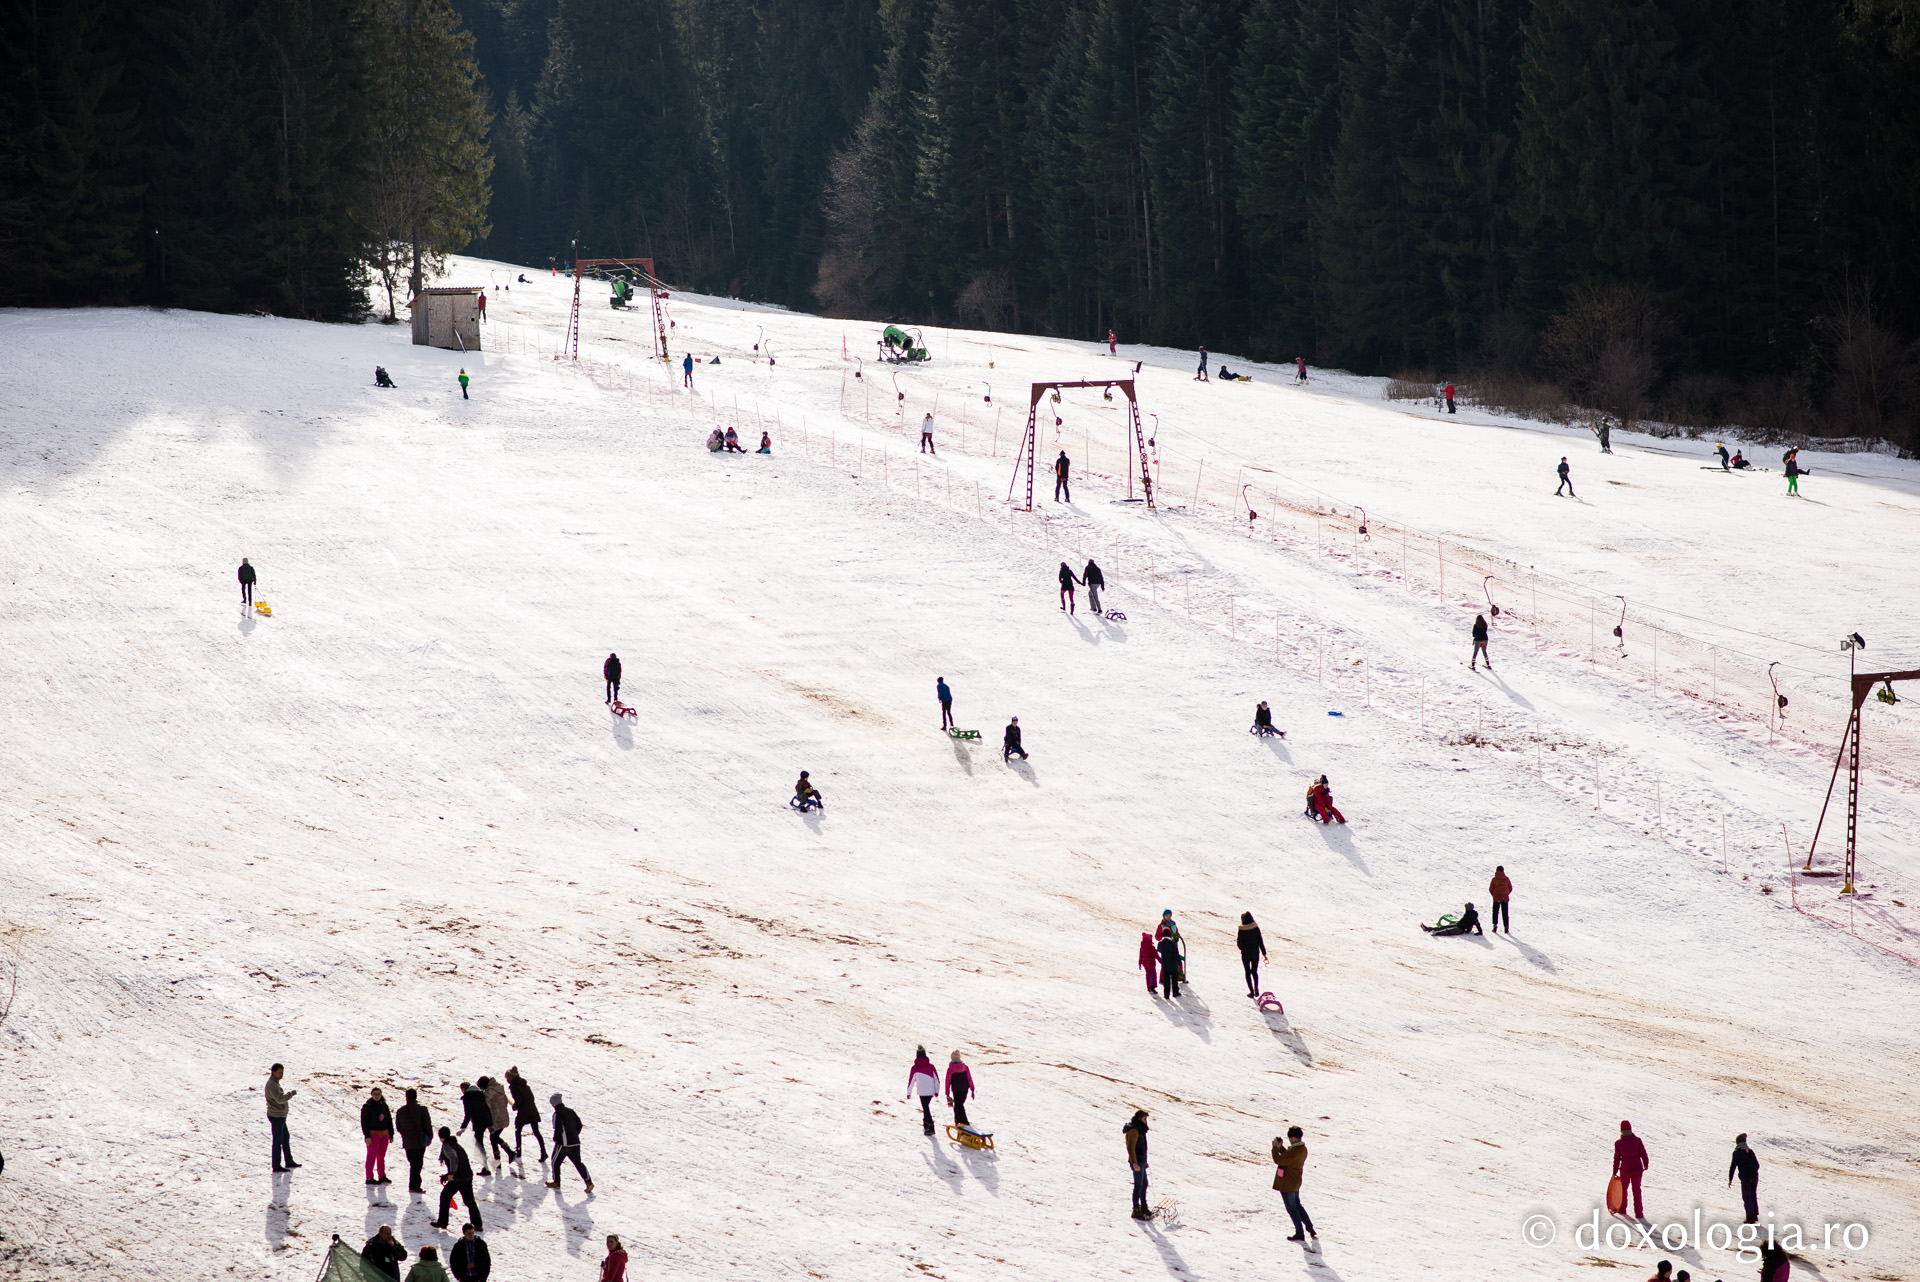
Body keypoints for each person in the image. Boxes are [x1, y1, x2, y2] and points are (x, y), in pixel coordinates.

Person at [1273, 1125, 1316, 1245]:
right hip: (1295, 1181)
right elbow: (1288, 1156)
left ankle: (1300, 1233)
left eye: (1290, 1138)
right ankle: (1309, 1227)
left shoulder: (1295, 1151)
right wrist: (1281, 1148)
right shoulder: (1302, 1149)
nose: (1289, 1140)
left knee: (1292, 1208)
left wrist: (1275, 1149)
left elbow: (1280, 1160)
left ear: (1294, 1138)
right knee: (1297, 1205)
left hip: (1288, 1182)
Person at [432, 1127, 480, 1230]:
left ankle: (442, 1222)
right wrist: (447, 1175)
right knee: (470, 1201)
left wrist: (452, 1173)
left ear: (441, 1137)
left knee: (445, 1196)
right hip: (467, 1176)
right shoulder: (456, 1145)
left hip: (458, 1177)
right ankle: (477, 1224)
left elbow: (453, 1158)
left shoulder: (447, 1146)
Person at [546, 1092, 593, 1192]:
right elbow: (579, 1125)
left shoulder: (557, 1114)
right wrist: (574, 1135)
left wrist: (556, 1139)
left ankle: (556, 1182)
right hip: (575, 1142)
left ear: (554, 1103)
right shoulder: (571, 1111)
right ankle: (588, 1182)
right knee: (578, 1163)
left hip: (563, 1144)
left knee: (555, 1162)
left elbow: (558, 1129)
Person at [396, 1088, 433, 1193]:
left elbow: (398, 1127)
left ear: (406, 1096)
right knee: (417, 1165)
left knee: (413, 1163)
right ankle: (414, 1186)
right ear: (416, 1096)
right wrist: (429, 1137)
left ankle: (414, 1184)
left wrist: (405, 1134)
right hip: (419, 1142)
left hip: (407, 1142)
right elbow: (428, 1125)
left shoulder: (401, 1111)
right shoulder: (422, 1109)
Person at [506, 1067, 544, 1164]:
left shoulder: (513, 1086)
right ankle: (543, 1152)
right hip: (532, 1109)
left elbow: (519, 1100)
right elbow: (531, 1097)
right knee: (536, 1132)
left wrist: (515, 1106)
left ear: (510, 1078)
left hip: (524, 1112)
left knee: (518, 1130)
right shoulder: (525, 1085)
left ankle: (518, 1151)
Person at [266, 1063, 299, 1171]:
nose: (281, 1075)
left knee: (285, 1138)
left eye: (282, 1072)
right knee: (278, 1141)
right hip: (276, 1116)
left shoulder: (274, 1083)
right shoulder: (272, 1084)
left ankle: (288, 1161)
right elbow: (279, 1099)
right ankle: (276, 1165)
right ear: (273, 1072)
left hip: (280, 1116)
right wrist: (291, 1094)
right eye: (279, 1072)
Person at [1614, 1120, 1650, 1220]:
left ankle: (1622, 1209)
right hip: (1637, 1169)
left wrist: (1614, 1172)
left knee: (1624, 1190)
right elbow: (1643, 1153)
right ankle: (1639, 1213)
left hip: (1625, 1170)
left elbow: (1616, 1158)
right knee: (1637, 1190)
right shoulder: (1637, 1140)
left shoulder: (1619, 1143)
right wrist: (1645, 1164)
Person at [456, 1082, 493, 1176]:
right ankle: (487, 1165)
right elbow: (487, 1108)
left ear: (464, 1089)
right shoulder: (480, 1094)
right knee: (479, 1143)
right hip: (485, 1120)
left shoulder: (467, 1097)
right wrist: (490, 1124)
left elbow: (468, 1114)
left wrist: (463, 1128)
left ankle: (486, 1167)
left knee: (479, 1145)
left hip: (478, 1122)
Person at [363, 1087, 393, 1185]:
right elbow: (364, 1122)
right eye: (375, 1094)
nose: (377, 1096)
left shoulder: (384, 1105)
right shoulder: (367, 1106)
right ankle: (369, 1177)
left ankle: (382, 1175)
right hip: (373, 1134)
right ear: (371, 1094)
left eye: (378, 1094)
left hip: (384, 1134)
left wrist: (391, 1133)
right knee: (371, 1156)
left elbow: (389, 1120)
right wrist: (367, 1135)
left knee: (381, 1156)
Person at [1124, 1110, 1152, 1219]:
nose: (1146, 1121)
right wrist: (1134, 1163)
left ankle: (1143, 1207)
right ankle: (1136, 1209)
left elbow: (1142, 1147)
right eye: (1144, 1119)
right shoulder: (1134, 1130)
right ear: (1139, 1118)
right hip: (1136, 1162)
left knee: (1144, 1184)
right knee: (1138, 1185)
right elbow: (1131, 1147)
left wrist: (1144, 1161)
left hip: (1141, 1161)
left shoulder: (1140, 1129)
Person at [907, 1047, 940, 1136]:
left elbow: (911, 1081)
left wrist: (908, 1093)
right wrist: (937, 1091)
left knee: (925, 1108)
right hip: (930, 1091)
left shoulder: (914, 1068)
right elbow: (936, 1079)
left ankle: (929, 1127)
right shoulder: (931, 1066)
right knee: (926, 1107)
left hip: (921, 1091)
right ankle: (927, 1126)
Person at [1729, 1132, 1760, 1223]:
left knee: (1747, 1196)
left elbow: (1733, 1166)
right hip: (1754, 1176)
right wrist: (1753, 1171)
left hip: (1746, 1177)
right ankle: (1755, 1215)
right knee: (1753, 1195)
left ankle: (1750, 1217)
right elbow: (1757, 1165)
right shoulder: (1750, 1151)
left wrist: (1730, 1179)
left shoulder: (1736, 1152)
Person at [483, 1076, 512, 1169]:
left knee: (493, 1137)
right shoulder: (499, 1088)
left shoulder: (490, 1091)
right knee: (495, 1137)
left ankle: (499, 1160)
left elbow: (485, 1101)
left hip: (496, 1117)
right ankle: (509, 1153)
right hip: (503, 1116)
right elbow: (505, 1101)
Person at [1237, 912, 1268, 998]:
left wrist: (1243, 948)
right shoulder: (1256, 928)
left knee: (1247, 972)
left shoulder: (1241, 930)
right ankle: (1256, 989)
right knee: (1254, 971)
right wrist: (1264, 954)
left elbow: (1239, 944)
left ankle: (1251, 991)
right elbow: (1260, 942)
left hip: (1246, 954)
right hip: (1255, 953)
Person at [945, 1051, 975, 1127]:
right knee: (958, 1105)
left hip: (956, 1089)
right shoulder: (965, 1067)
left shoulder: (950, 1069)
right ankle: (958, 1121)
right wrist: (972, 1089)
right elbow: (969, 1078)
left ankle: (964, 1123)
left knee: (958, 1105)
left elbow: (947, 1081)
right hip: (965, 1089)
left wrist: (947, 1093)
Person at [1156, 929, 1182, 998]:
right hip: (1173, 964)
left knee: (1166, 980)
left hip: (1165, 964)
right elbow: (1176, 953)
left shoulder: (1160, 943)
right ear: (1170, 935)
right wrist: (1179, 962)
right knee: (1174, 979)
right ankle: (1175, 992)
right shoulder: (1173, 943)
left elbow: (1159, 950)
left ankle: (1166, 994)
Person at [1488, 866, 1512, 933]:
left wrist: (1494, 895)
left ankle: (1495, 927)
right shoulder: (1506, 879)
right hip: (1505, 898)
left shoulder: (1494, 879)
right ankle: (1506, 928)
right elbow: (1510, 888)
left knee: (1495, 912)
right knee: (1505, 913)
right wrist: (1506, 894)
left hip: (1496, 898)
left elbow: (1490, 889)